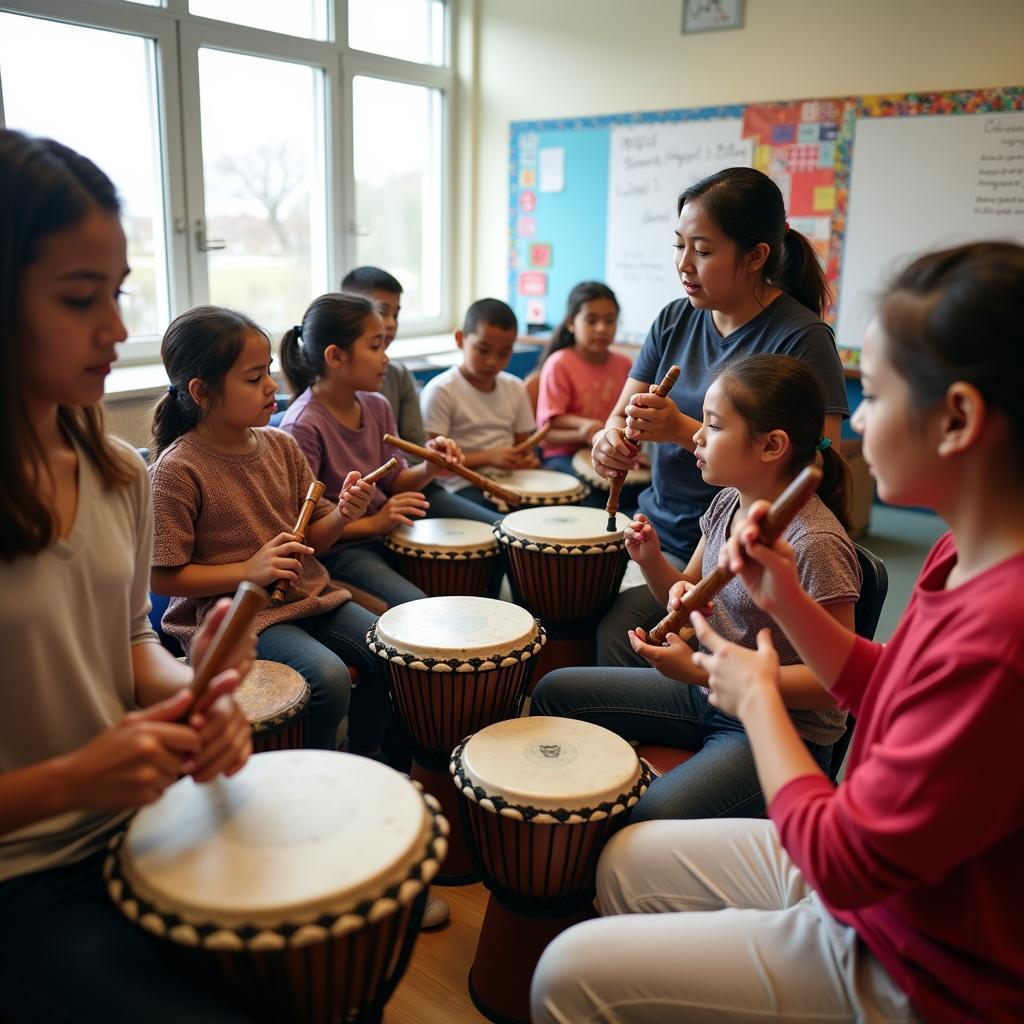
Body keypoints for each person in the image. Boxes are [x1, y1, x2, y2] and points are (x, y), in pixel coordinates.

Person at [532, 242, 1024, 1024]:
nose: (855, 418)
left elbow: (842, 863)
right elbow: (890, 675)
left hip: (917, 963)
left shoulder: (1003, 636)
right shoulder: (961, 549)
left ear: (958, 417)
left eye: (878, 394)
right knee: (624, 862)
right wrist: (786, 600)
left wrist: (755, 699)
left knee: (566, 974)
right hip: (879, 892)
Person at [0, 129, 254, 1022]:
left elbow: (132, 642)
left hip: (131, 826)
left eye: (117, 293)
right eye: (79, 298)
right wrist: (71, 781)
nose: (116, 330)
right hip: (22, 875)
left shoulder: (117, 472)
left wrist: (196, 693)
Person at [532, 353, 859, 819]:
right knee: (555, 691)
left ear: (772, 446)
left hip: (780, 727)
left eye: (713, 425)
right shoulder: (729, 500)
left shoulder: (816, 543)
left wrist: (699, 672)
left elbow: (834, 686)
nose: (696, 436)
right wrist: (650, 561)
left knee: (649, 816)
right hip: (707, 692)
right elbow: (689, 588)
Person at [589, 167, 848, 666]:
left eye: (703, 251)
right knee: (576, 615)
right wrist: (609, 440)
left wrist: (682, 431)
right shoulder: (673, 318)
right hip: (656, 528)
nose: (684, 265)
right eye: (678, 245)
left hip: (733, 555)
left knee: (620, 634)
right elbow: (619, 417)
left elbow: (818, 463)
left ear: (756, 256)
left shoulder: (801, 338)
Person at [149, 305, 387, 755]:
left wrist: (344, 515)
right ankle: (305, 778)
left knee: (388, 650)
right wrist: (249, 570)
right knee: (329, 679)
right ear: (202, 391)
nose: (272, 387)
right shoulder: (177, 469)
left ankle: (367, 758)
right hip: (232, 615)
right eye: (254, 378)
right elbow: (162, 577)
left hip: (307, 596)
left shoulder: (282, 444)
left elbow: (312, 539)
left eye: (269, 373)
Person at [279, 291, 468, 608]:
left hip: (384, 535)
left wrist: (429, 469)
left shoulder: (377, 405)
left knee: (460, 583)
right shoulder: (302, 426)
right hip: (340, 551)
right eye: (375, 346)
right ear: (336, 357)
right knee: (418, 608)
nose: (386, 357)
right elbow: (305, 532)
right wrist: (376, 522)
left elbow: (394, 482)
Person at [341, 265, 496, 525]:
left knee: (500, 528)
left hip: (412, 486)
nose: (390, 323)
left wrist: (431, 458)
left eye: (396, 313)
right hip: (361, 506)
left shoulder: (398, 375)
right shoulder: (322, 394)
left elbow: (414, 451)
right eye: (382, 311)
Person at [420, 298, 538, 507]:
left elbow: (523, 447)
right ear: (460, 339)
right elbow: (436, 461)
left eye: (504, 353)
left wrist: (526, 460)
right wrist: (489, 457)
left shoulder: (515, 387)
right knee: (507, 530)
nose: (492, 361)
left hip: (511, 482)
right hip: (459, 487)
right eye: (483, 350)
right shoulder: (441, 390)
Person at [536, 281, 632, 471]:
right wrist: (584, 429)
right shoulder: (559, 363)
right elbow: (547, 432)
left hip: (609, 452)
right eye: (591, 320)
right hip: (563, 455)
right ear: (572, 323)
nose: (601, 328)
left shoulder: (625, 364)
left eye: (609, 320)